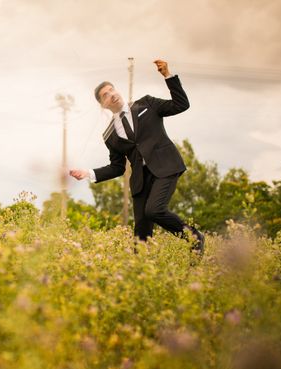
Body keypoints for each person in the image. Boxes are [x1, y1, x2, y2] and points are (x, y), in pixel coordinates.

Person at [70, 59, 204, 255]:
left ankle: (194, 238)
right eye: (105, 95)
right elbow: (117, 167)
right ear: (103, 105)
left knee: (154, 210)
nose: (111, 95)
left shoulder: (147, 104)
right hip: (141, 181)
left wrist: (168, 75)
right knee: (141, 233)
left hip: (165, 167)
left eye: (111, 90)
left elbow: (181, 105)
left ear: (118, 91)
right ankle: (138, 269)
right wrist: (88, 173)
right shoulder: (109, 135)